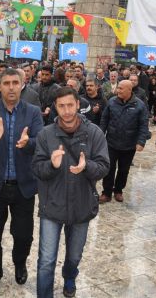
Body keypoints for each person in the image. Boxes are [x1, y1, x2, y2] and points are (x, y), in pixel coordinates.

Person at [32, 87, 110, 298]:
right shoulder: (45, 135)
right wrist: (52, 164)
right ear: (55, 108)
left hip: (82, 205)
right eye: (61, 106)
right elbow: (37, 168)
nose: (66, 111)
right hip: (52, 206)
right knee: (46, 260)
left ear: (78, 104)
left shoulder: (93, 133)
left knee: (74, 256)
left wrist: (87, 167)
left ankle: (69, 277)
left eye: (70, 105)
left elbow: (104, 166)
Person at [0, 68, 44, 296]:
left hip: (23, 185)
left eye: (15, 82)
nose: (11, 87)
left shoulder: (33, 112)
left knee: (23, 234)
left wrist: (28, 143)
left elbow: (40, 142)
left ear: (22, 84)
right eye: (6, 83)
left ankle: (20, 263)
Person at [99, 80, 150, 203]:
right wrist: (100, 136)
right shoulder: (112, 102)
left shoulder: (140, 105)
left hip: (129, 145)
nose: (118, 91)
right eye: (118, 88)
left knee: (123, 170)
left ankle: (118, 191)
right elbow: (104, 120)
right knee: (109, 169)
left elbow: (144, 125)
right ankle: (106, 192)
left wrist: (141, 142)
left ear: (129, 90)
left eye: (121, 88)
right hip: (111, 142)